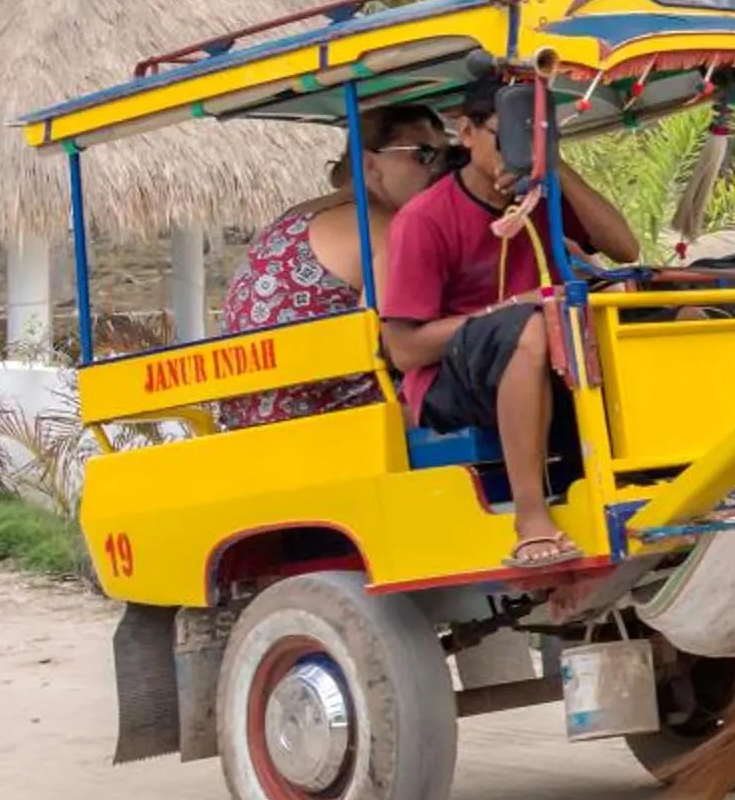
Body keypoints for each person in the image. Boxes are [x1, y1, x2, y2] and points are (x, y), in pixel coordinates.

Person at [381, 78, 641, 569]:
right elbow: (406, 351)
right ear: (467, 133)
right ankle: (530, 514)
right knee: (531, 326)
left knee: (660, 306)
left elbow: (626, 250)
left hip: (553, 358)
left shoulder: (544, 196)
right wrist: (508, 310)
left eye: (537, 135)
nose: (523, 148)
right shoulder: (425, 219)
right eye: (510, 137)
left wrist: (553, 167)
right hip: (453, 379)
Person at [217, 107, 453, 431]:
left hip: (249, 421)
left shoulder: (295, 215)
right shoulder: (386, 229)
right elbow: (396, 348)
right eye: (424, 155)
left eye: (447, 155)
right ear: (369, 164)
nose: (440, 169)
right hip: (333, 417)